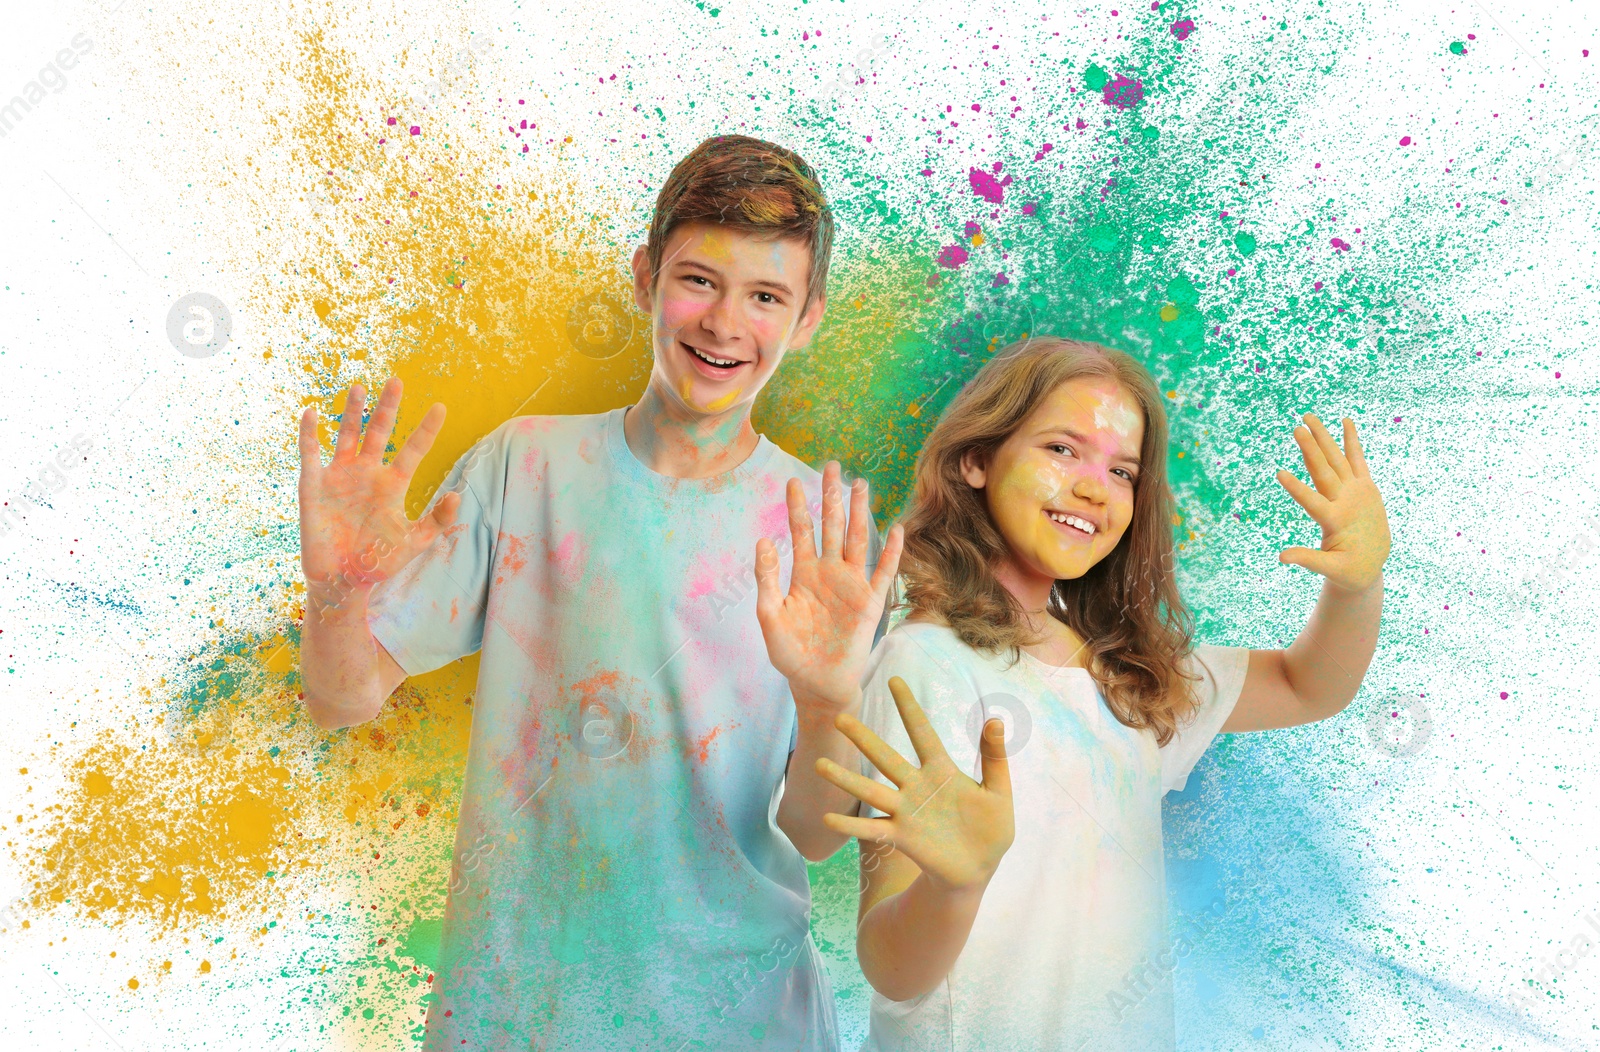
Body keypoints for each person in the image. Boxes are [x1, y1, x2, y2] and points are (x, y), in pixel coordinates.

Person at [294, 135, 902, 1051]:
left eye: (766, 296)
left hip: (738, 1015)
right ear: (644, 276)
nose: (724, 324)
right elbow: (340, 699)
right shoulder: (526, 463)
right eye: (699, 280)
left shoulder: (821, 533)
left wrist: (826, 702)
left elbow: (814, 836)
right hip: (523, 1007)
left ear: (808, 318)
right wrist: (339, 591)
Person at [809, 336, 1391, 1050]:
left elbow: (1309, 687)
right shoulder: (924, 661)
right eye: (1061, 449)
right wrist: (953, 886)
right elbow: (893, 970)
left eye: (1122, 471)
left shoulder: (1128, 675)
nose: (1093, 486)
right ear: (977, 459)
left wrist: (1357, 585)